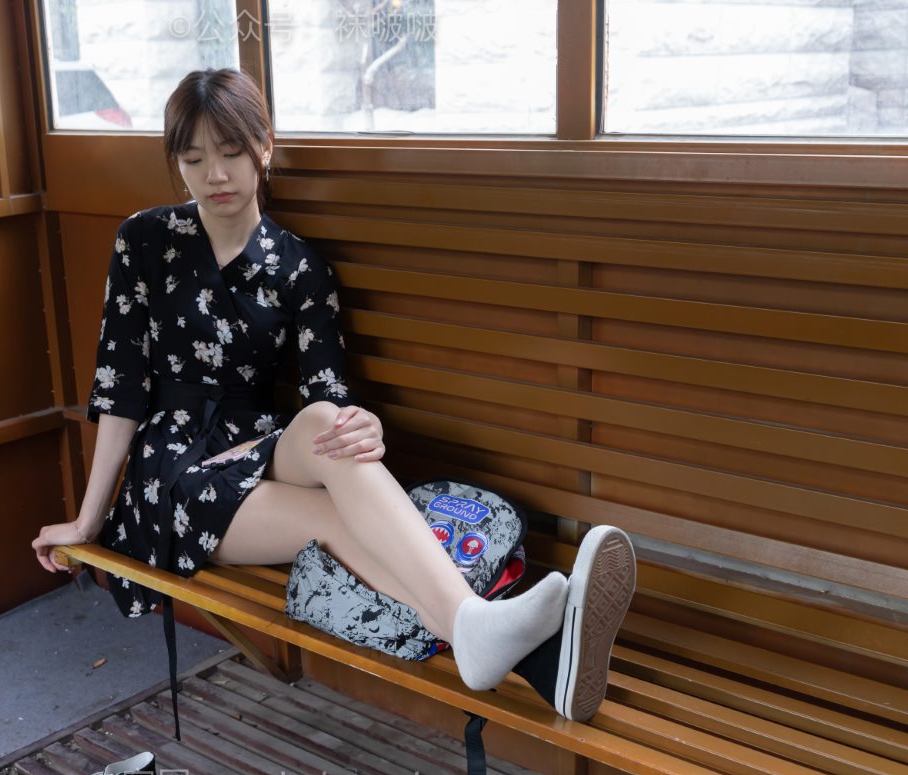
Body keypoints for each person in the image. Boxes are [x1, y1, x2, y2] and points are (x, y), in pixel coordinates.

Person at [31, 68, 636, 722]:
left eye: (232, 152)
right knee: (334, 520)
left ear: (265, 147)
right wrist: (88, 521)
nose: (216, 175)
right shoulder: (145, 240)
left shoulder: (299, 265)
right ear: (175, 161)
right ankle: (511, 644)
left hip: (257, 446)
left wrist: (361, 425)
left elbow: (328, 393)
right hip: (174, 475)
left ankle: (492, 639)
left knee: (328, 422)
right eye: (194, 159)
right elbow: (121, 388)